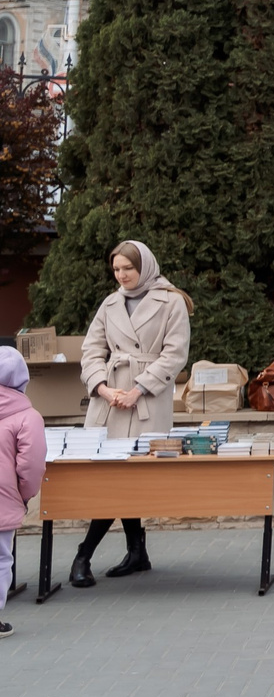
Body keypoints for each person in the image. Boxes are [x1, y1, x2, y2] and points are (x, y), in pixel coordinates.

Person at [69, 241, 192, 588]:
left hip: (147, 402)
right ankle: (137, 551)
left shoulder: (171, 301)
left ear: (145, 266)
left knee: (126, 477)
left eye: (128, 268)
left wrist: (138, 388)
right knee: (114, 476)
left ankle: (84, 554)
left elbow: (175, 354)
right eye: (117, 270)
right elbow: (91, 350)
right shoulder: (110, 304)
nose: (122, 276)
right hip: (109, 402)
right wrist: (104, 388)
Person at [0, 348, 44, 626]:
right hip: (3, 501)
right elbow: (31, 467)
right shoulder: (28, 417)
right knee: (1, 559)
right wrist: (23, 496)